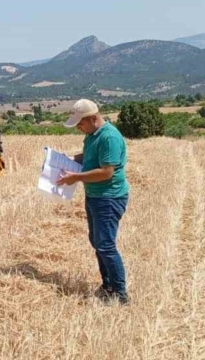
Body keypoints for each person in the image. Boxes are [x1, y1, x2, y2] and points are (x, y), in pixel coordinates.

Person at [56, 99, 130, 305]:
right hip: (95, 196)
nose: (78, 127)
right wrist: (68, 158)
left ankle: (120, 294)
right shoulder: (92, 135)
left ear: (93, 118)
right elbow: (88, 156)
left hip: (109, 197)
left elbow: (107, 172)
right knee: (96, 242)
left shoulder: (109, 138)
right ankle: (107, 286)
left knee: (106, 245)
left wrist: (75, 177)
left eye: (80, 123)